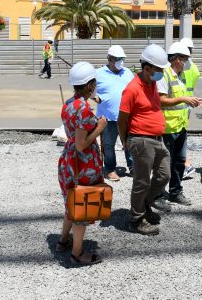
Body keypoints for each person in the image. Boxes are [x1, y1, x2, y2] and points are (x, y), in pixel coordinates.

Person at [56, 62, 106, 265]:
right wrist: (100, 127)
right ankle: (77, 253)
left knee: (71, 200)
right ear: (89, 85)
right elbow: (81, 144)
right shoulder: (84, 109)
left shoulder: (69, 103)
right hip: (81, 163)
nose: (95, 85)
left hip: (68, 161)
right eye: (93, 83)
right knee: (82, 206)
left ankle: (62, 241)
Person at [118, 44, 171, 236]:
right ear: (147, 67)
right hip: (140, 140)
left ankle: (145, 204)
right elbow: (122, 119)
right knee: (141, 182)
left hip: (157, 139)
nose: (161, 73)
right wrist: (125, 141)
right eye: (159, 70)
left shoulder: (153, 83)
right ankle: (136, 219)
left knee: (164, 175)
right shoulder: (132, 89)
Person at [156, 42, 202, 206]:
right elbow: (161, 100)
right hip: (167, 128)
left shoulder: (181, 76)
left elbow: (181, 101)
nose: (186, 62)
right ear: (175, 59)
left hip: (181, 126)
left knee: (179, 162)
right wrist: (184, 99)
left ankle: (175, 192)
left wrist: (192, 101)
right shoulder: (164, 75)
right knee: (164, 165)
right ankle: (159, 196)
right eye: (184, 59)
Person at [94, 45, 135, 181]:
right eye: (117, 59)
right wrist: (95, 98)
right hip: (108, 118)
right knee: (108, 145)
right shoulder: (98, 73)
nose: (120, 61)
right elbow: (88, 88)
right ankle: (110, 169)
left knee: (129, 142)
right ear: (109, 59)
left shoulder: (128, 72)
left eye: (122, 58)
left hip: (127, 116)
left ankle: (133, 167)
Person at [179, 37, 201, 179]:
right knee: (181, 133)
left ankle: (185, 164)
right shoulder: (194, 68)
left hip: (179, 103)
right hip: (188, 104)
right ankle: (184, 163)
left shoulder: (183, 66)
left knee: (178, 135)